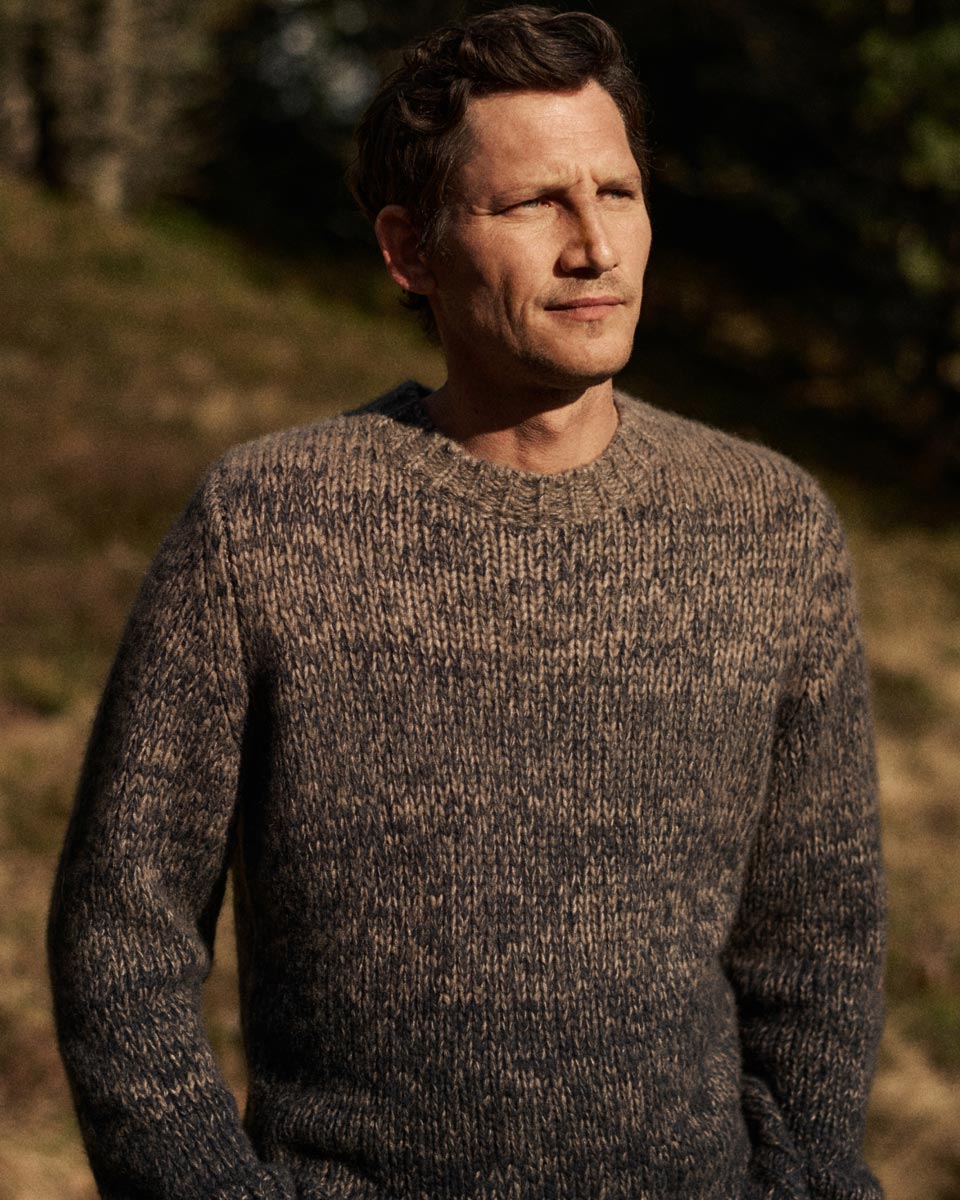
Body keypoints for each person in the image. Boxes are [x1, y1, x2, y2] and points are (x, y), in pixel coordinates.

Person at [48, 7, 887, 1200]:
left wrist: (798, 1177)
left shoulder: (769, 527)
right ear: (411, 251)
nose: (597, 246)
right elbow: (121, 937)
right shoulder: (267, 524)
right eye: (535, 202)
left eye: (620, 192)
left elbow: (818, 943)